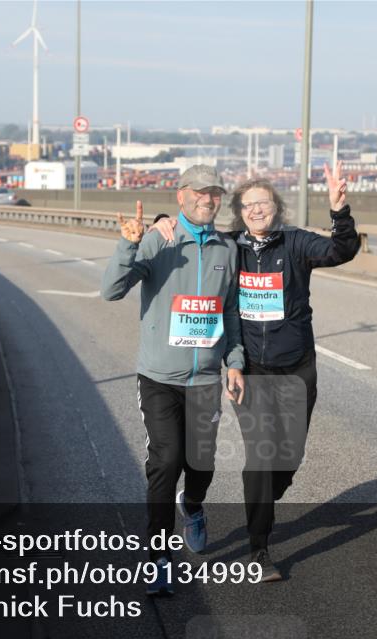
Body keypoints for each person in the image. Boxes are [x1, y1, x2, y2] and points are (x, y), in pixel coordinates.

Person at [152, 162, 359, 582]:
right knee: (262, 459)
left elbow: (341, 251)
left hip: (298, 367)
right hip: (252, 370)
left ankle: (265, 499)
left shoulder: (296, 243)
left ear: (276, 207)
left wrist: (340, 212)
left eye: (264, 202)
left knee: (289, 457)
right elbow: (196, 237)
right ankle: (259, 550)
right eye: (248, 205)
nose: (257, 210)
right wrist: (161, 220)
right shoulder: (231, 247)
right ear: (239, 212)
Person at [101, 164, 246, 597]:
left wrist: (234, 362)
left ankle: (195, 506)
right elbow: (111, 290)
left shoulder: (227, 249)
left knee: (200, 463)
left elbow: (231, 313)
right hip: (160, 376)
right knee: (166, 462)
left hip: (204, 379)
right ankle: (159, 557)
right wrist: (129, 242)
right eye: (200, 192)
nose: (209, 199)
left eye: (215, 193)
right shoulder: (158, 238)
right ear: (181, 196)